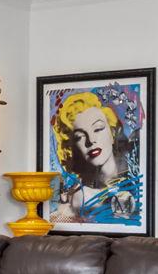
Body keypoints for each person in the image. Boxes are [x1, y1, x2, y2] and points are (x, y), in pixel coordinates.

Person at [51, 90, 142, 225]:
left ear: (112, 133)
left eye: (98, 129)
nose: (91, 140)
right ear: (71, 148)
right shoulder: (80, 196)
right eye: (79, 137)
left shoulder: (136, 176)